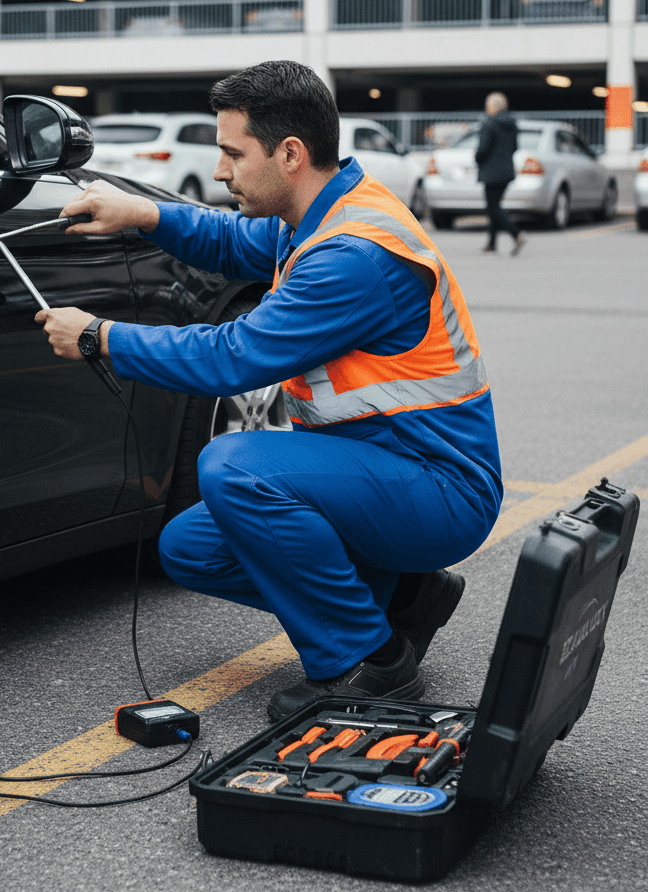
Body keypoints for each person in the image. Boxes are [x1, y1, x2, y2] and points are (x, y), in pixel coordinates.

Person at [36, 61, 502, 720]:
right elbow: (229, 240)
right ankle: (401, 601)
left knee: (234, 468)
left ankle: (367, 663)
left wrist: (100, 337)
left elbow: (236, 355)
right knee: (190, 547)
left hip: (439, 488)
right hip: (385, 468)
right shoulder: (319, 214)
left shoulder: (352, 256)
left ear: (290, 154)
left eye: (232, 152)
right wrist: (140, 213)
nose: (221, 170)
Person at [476, 92, 526, 255]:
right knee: (494, 206)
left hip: (490, 172)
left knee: (493, 207)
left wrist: (478, 159)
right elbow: (515, 147)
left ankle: (516, 234)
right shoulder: (512, 124)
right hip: (506, 171)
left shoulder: (489, 124)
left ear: (492, 107)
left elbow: (482, 149)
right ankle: (491, 243)